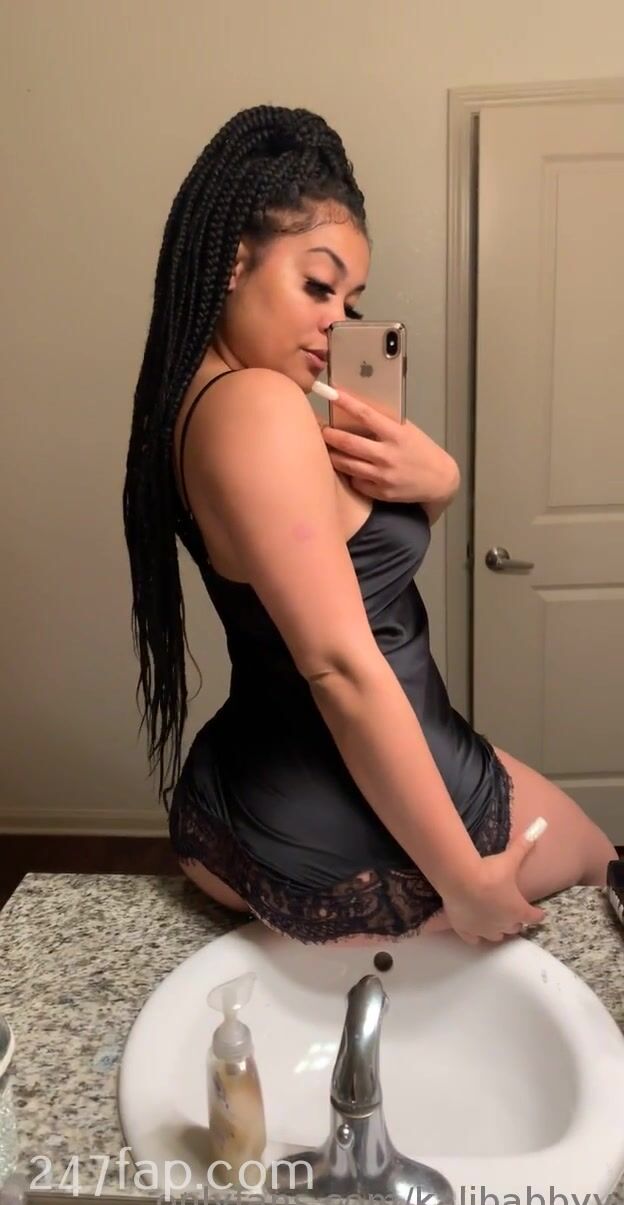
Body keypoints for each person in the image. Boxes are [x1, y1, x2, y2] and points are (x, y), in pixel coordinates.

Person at [123, 104, 617, 948]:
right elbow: (342, 666)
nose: (338, 320)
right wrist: (464, 882)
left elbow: (346, 565)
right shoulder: (258, 408)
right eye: (317, 287)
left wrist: (437, 484)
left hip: (248, 791)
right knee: (604, 868)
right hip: (343, 812)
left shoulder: (203, 400)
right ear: (234, 263)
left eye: (351, 298)